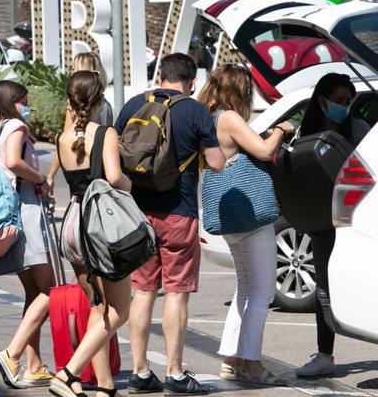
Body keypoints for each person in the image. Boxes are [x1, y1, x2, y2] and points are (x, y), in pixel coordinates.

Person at [115, 53, 226, 395]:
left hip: (138, 214)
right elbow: (217, 163)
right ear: (191, 81)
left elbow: (115, 152)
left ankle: (140, 371)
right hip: (179, 212)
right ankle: (176, 373)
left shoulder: (134, 104)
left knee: (143, 291)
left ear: (160, 75)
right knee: (176, 293)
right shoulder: (195, 111)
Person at [293, 73, 378, 378]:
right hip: (323, 220)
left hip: (360, 220)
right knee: (325, 289)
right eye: (339, 100)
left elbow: (376, 169)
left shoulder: (358, 129)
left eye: (348, 101)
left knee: (374, 282)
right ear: (322, 100)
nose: (344, 106)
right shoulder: (306, 132)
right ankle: (325, 354)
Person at [197, 64, 294, 386]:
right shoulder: (228, 117)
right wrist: (282, 130)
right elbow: (265, 151)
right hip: (250, 217)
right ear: (239, 90)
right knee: (263, 291)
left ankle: (230, 358)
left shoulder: (208, 118)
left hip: (230, 219)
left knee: (245, 288)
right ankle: (252, 364)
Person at [49, 71, 134, 397]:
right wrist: (131, 186)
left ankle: (104, 386)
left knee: (98, 307)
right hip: (100, 226)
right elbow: (114, 177)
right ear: (100, 100)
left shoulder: (61, 137)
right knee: (119, 310)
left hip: (71, 224)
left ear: (69, 101)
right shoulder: (106, 133)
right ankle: (70, 372)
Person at [0, 80, 56, 389]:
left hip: (5, 214)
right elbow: (13, 162)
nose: (28, 104)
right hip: (24, 210)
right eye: (25, 100)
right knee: (51, 292)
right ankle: (12, 355)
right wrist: (41, 179)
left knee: (33, 293)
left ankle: (34, 366)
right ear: (13, 102)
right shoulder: (15, 127)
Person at [46, 52, 114, 188]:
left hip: (83, 171)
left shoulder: (74, 107)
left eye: (73, 69)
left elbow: (64, 141)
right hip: (104, 171)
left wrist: (50, 175)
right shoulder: (105, 104)